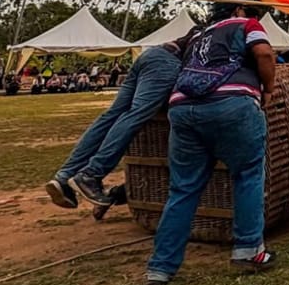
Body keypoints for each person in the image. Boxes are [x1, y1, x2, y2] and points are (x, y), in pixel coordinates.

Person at [145, 2, 278, 285]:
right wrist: (268, 88)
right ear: (241, 10)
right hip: (232, 105)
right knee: (247, 174)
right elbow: (264, 53)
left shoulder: (196, 36)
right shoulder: (246, 26)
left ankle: (160, 268)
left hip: (182, 109)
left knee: (183, 188)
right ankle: (248, 250)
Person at [48, 42, 186, 211]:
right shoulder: (221, 29)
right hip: (168, 63)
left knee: (112, 115)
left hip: (153, 54)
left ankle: (65, 176)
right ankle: (91, 174)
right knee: (136, 114)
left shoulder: (209, 27)